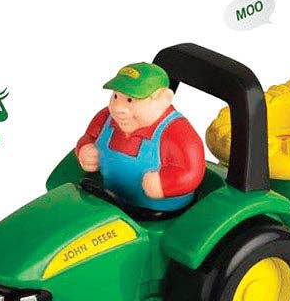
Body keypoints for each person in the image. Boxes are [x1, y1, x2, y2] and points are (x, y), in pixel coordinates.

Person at [76, 63, 205, 211]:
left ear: (164, 99)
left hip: (157, 211)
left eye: (130, 100)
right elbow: (88, 137)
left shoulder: (178, 133)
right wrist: (84, 149)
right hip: (108, 198)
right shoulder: (106, 118)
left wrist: (164, 184)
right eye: (116, 96)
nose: (118, 108)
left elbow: (191, 172)